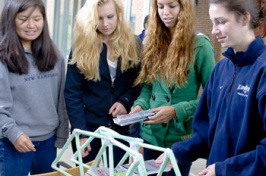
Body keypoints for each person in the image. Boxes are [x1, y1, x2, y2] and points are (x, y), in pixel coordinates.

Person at [156, 0, 266, 175]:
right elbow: (206, 131)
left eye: (221, 22)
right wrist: (179, 151)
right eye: (213, 22)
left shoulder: (262, 71)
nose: (214, 30)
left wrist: (224, 170)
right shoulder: (221, 70)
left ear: (244, 19)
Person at [130, 0, 215, 175]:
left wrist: (176, 110)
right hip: (149, 136)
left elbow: (213, 99)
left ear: (184, 8)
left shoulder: (201, 45)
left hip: (178, 140)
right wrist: (140, 106)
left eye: (172, 6)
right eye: (160, 7)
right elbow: (148, 88)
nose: (165, 12)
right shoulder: (152, 41)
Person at [64, 0, 141, 166]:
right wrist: (81, 133)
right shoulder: (81, 47)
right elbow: (72, 92)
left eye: (110, 16)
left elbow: (139, 83)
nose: (105, 23)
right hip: (89, 128)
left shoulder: (133, 44)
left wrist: (125, 101)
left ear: (119, 15)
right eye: (99, 18)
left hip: (120, 129)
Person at [0, 0, 69, 175]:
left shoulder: (55, 54)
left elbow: (61, 98)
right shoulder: (3, 58)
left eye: (37, 19)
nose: (31, 25)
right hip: (13, 142)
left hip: (48, 141)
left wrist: (62, 133)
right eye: (23, 19)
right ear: (11, 20)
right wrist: (14, 134)